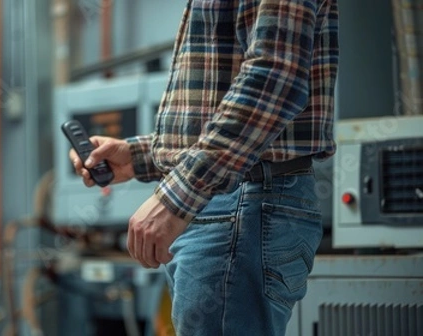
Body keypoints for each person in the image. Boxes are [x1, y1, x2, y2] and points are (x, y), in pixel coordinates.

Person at [69, 0, 338, 334]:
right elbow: (219, 103)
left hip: (240, 204)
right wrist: (137, 155)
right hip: (231, 205)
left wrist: (176, 197)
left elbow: (274, 78)